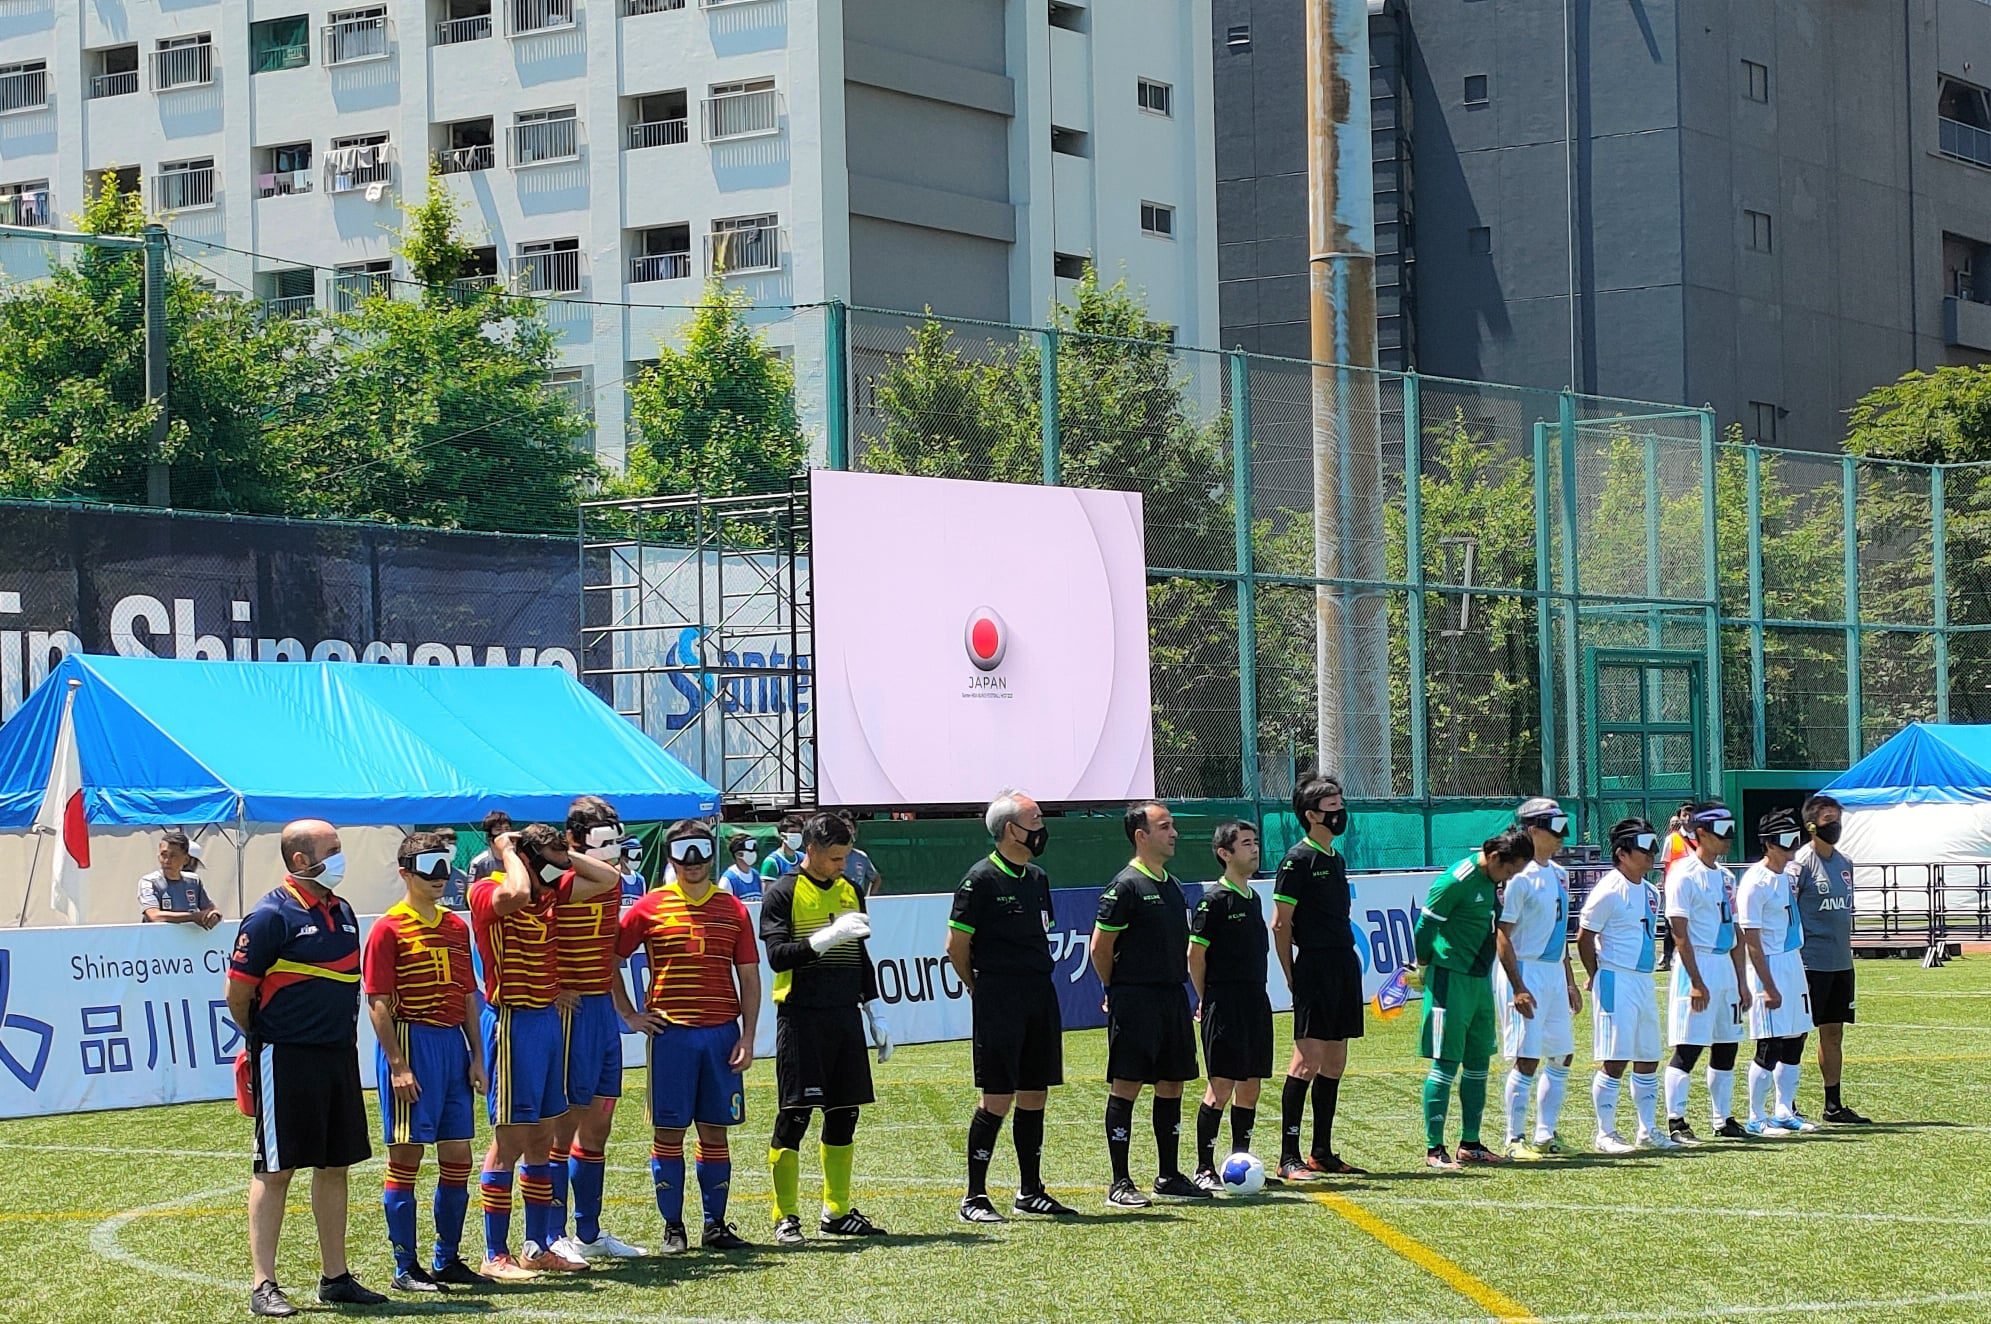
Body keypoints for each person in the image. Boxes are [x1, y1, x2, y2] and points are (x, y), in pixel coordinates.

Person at [226, 818, 386, 1317]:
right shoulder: (270, 915)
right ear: (300, 859)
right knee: (276, 1169)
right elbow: (238, 995)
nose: (341, 856)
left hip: (338, 1054)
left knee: (335, 1165)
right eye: (332, 848)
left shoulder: (342, 912)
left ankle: (335, 1277)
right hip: (285, 1056)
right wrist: (266, 1039)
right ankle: (263, 1284)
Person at [467, 822, 623, 1279]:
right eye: (553, 853)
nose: (564, 861)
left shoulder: (550, 894)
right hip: (513, 1022)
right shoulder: (490, 889)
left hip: (546, 1023)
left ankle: (536, 1246)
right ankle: (495, 1253)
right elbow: (514, 893)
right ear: (530, 858)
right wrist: (507, 851)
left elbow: (608, 879)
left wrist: (558, 857)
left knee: (542, 1139)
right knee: (510, 1140)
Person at [618, 819, 762, 1252]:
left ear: (712, 851)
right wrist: (629, 1014)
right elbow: (609, 957)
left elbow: (750, 977)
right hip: (672, 1036)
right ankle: (673, 1227)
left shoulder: (732, 909)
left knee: (715, 1132)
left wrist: (749, 1037)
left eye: (701, 849)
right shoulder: (648, 907)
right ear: (670, 856)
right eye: (684, 851)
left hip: (721, 1036)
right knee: (668, 1133)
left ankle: (714, 1225)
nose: (694, 861)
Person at [361, 832, 487, 1292]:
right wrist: (397, 1064)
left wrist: (477, 1055)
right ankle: (405, 1267)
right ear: (405, 872)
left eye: (443, 867)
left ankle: (447, 1258)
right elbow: (376, 1000)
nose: (439, 878)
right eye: (428, 868)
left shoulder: (457, 927)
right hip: (412, 1042)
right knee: (407, 1158)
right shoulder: (388, 928)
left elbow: (469, 995)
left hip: (452, 1046)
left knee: (458, 1156)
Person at [761, 811, 893, 1244]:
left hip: (844, 1018)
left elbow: (860, 956)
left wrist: (875, 1010)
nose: (841, 866)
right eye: (835, 858)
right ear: (810, 850)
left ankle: (835, 1212)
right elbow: (778, 956)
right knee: (795, 1115)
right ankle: (786, 1215)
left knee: (844, 1115)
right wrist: (824, 938)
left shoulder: (851, 889)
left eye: (845, 857)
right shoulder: (782, 893)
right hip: (801, 1017)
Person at [946, 792, 1075, 1223]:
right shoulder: (979, 880)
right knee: (997, 1095)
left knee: (1035, 1092)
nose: (1041, 827)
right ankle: (975, 1196)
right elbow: (956, 947)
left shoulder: (1037, 878)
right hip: (999, 995)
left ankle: (1030, 1189)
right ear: (1009, 830)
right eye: (1033, 819)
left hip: (1039, 993)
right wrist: (980, 988)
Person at [545, 797, 651, 1265]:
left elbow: (611, 954)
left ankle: (588, 1231)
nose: (614, 847)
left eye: (616, 836)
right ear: (574, 840)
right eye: (603, 837)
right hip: (568, 1012)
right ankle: (549, 1234)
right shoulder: (556, 880)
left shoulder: (613, 881)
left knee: (599, 1124)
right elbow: (517, 931)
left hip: (600, 1010)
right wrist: (549, 987)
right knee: (561, 1124)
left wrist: (626, 1012)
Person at [1089, 800, 1207, 1207]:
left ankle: (1169, 1174)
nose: (1173, 833)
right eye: (1164, 827)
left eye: (1173, 826)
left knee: (1172, 1083)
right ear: (1141, 836)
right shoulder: (1125, 886)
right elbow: (1100, 948)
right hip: (1134, 999)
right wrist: (1116, 988)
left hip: (1172, 998)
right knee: (1127, 1086)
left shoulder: (1173, 886)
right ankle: (1120, 1182)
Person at [1413, 828, 1536, 1170]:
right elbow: (1425, 928)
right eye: (1510, 870)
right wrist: (1424, 963)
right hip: (1450, 980)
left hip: (1480, 980)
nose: (1510, 878)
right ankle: (1434, 1148)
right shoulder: (1456, 880)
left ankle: (1471, 1143)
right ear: (1496, 858)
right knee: (1446, 1064)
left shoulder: (1491, 881)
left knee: (1479, 1063)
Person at [1269, 772, 1366, 1182]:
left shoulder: (1335, 859)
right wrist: (1293, 975)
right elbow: (1280, 925)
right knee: (1306, 1061)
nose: (1340, 814)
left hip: (1344, 963)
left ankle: (1321, 1151)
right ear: (1311, 815)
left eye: (1341, 805)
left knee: (1335, 1061)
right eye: (1331, 808)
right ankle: (1287, 1155)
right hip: (1315, 965)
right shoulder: (1298, 860)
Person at [1187, 820, 1273, 1191]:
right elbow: (1195, 955)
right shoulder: (1213, 901)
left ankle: (1241, 1161)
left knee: (1250, 1084)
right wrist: (1207, 998)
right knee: (1221, 1084)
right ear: (1225, 853)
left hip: (1256, 999)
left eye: (1255, 842)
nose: (1254, 849)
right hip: (1224, 1001)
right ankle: (1204, 1167)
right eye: (1245, 844)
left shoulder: (1253, 898)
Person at [1576, 818, 1671, 1154]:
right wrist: (1596, 972)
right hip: (1616, 978)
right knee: (1614, 1058)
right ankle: (1606, 1133)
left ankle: (1646, 1129)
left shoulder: (1649, 890)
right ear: (1622, 853)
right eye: (1643, 850)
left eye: (1652, 848)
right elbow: (1584, 936)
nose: (1651, 856)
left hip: (1643, 980)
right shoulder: (1608, 889)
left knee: (1648, 1056)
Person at [1495, 799, 1582, 1159]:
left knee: (1562, 1054)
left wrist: (1570, 980)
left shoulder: (1558, 874)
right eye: (1554, 826)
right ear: (1533, 830)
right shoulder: (1519, 878)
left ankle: (1545, 1134)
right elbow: (1502, 935)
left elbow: (1560, 935)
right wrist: (1518, 986)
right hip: (1526, 970)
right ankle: (1514, 1139)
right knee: (1526, 1057)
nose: (1562, 835)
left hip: (1551, 971)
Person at [1662, 803, 1750, 1144]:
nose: (1728, 839)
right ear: (1700, 834)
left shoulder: (1726, 877)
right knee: (1689, 1046)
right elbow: (1679, 931)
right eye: (1721, 832)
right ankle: (1676, 1120)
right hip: (1695, 966)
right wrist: (1696, 981)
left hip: (1724, 966)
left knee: (1727, 1045)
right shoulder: (1683, 874)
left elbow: (1737, 932)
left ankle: (1722, 1117)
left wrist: (1742, 981)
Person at [1737, 808, 1818, 1136]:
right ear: (1768, 844)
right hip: (1768, 964)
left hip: (1791, 960)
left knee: (1796, 1036)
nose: (1791, 848)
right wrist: (1767, 985)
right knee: (1768, 1043)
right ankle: (1756, 1117)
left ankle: (1784, 1109)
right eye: (1785, 842)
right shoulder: (1754, 882)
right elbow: (1751, 938)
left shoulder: (1784, 876)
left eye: (1794, 840)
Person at [1793, 793, 1872, 1124]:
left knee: (1834, 1033)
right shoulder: (1800, 864)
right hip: (1810, 963)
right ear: (1811, 825)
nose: (1835, 826)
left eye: (1837, 819)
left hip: (1841, 962)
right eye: (1828, 821)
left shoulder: (1845, 863)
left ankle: (1833, 1104)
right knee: (1796, 1034)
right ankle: (1787, 1103)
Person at [139, 829, 221, 928]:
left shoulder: (194, 881)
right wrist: (193, 917)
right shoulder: (149, 881)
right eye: (163, 855)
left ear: (185, 859)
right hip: (158, 941)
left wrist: (215, 916)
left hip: (188, 940)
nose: (167, 860)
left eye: (173, 856)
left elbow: (211, 909)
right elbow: (154, 916)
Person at [1656, 802, 1695, 971]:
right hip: (1675, 889)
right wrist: (1666, 885)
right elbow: (1666, 864)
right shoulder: (1672, 839)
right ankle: (1666, 956)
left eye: (1692, 813)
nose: (1688, 817)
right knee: (1670, 924)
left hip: (1695, 890)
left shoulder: (1703, 838)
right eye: (1685, 813)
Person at [837, 810, 887, 898]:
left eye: (849, 827)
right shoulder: (830, 856)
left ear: (854, 830)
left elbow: (876, 879)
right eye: (842, 827)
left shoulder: (861, 857)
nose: (846, 830)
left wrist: (869, 899)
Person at [759, 811, 807, 886]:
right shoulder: (772, 862)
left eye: (799, 832)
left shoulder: (803, 858)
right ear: (782, 836)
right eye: (792, 832)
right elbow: (767, 894)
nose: (797, 835)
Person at [433, 827, 470, 911]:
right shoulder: (424, 876)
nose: (451, 848)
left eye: (453, 844)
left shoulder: (462, 876)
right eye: (447, 844)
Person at [468, 811, 511, 882]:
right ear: (489, 835)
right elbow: (472, 890)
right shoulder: (479, 862)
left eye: (507, 829)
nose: (504, 834)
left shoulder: (519, 859)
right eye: (498, 829)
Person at [720, 833, 763, 900]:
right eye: (750, 851)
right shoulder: (728, 880)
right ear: (738, 854)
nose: (753, 853)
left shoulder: (756, 875)